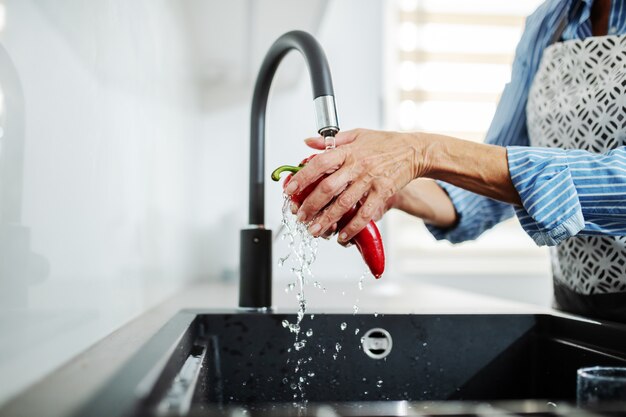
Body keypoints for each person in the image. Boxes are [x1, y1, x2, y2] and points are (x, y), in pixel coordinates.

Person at [286, 0, 626, 321]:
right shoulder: (548, 22)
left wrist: (422, 151)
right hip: (574, 311)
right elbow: (487, 187)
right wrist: (394, 186)